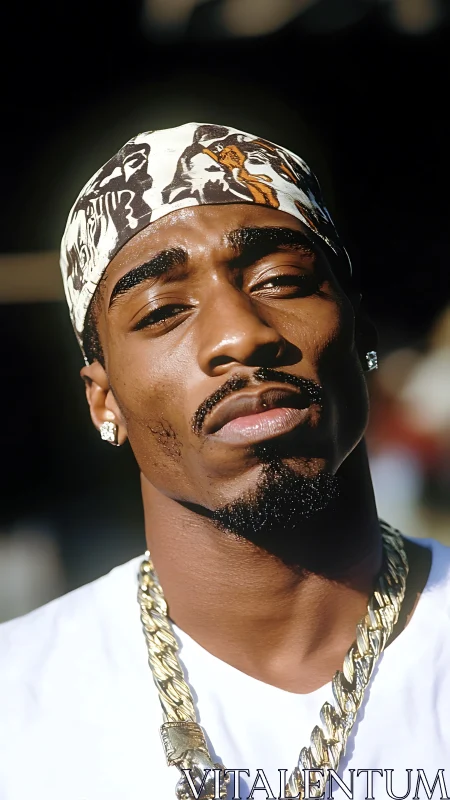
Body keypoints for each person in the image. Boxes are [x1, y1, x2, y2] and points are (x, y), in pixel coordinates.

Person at [0, 122, 449, 800]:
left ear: (364, 343)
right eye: (161, 313)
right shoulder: (18, 702)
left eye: (280, 280)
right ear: (104, 403)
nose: (241, 335)